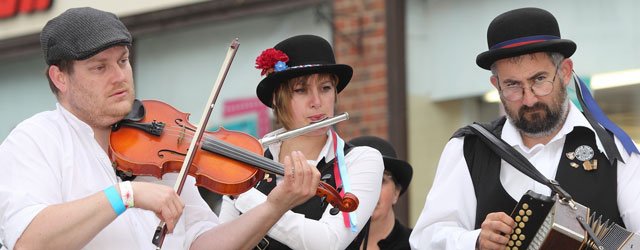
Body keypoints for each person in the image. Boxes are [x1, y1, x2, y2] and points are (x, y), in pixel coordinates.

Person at [0, 7, 321, 250]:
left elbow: (201, 243)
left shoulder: (159, 144)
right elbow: (28, 240)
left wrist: (275, 205)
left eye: (123, 61)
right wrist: (125, 195)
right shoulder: (35, 140)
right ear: (60, 77)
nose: (119, 76)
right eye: (100, 67)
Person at [409, 7, 640, 250]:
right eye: (512, 85)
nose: (529, 99)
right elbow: (424, 240)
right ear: (495, 84)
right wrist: (474, 241)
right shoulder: (468, 149)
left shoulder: (614, 149)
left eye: (539, 80)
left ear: (565, 72)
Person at [218, 34, 384, 250]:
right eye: (301, 90)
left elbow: (329, 243)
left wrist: (246, 196)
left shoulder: (361, 160)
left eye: (325, 88)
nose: (317, 102)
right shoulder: (249, 164)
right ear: (277, 98)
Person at [349, 136, 413, 250]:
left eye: (381, 180)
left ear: (396, 192)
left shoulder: (418, 245)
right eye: (359, 181)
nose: (370, 192)